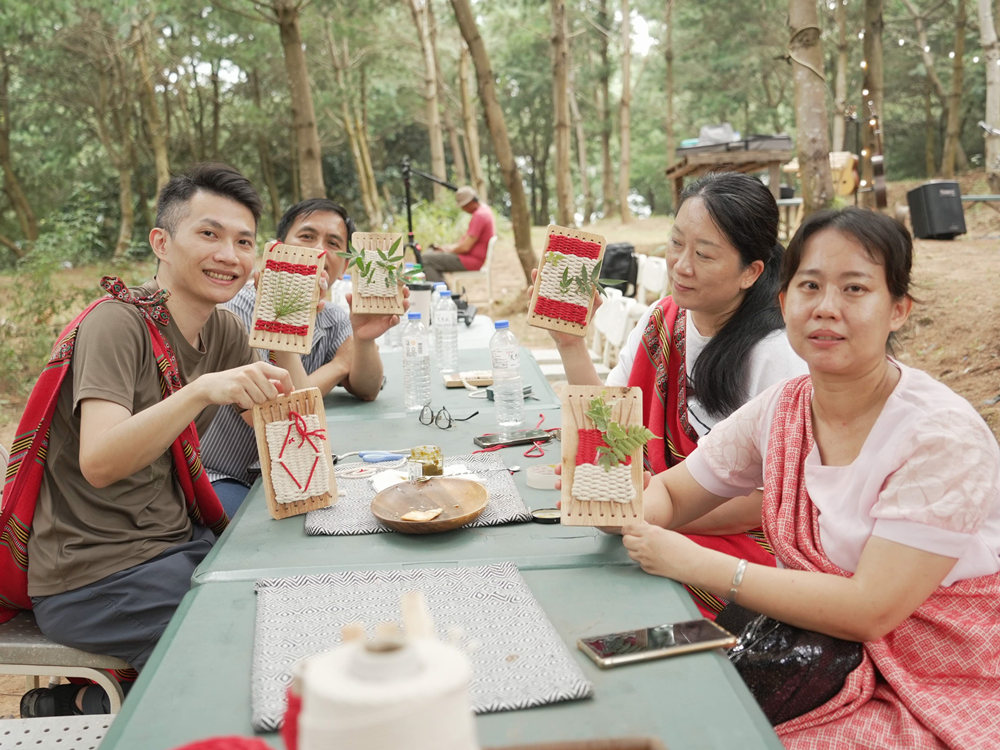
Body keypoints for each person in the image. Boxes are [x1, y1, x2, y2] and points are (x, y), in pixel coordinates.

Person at [623, 208, 1000, 747]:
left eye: (854, 289)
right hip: (814, 653)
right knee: (651, 697)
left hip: (936, 677)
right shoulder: (785, 408)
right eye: (810, 286)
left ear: (898, 309)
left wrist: (695, 561)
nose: (827, 308)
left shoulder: (941, 436)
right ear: (783, 302)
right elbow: (674, 493)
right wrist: (631, 509)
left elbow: (872, 610)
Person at [0, 163, 311, 717]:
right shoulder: (116, 323)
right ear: (161, 243)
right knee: (252, 647)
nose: (229, 255)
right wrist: (200, 393)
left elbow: (294, 445)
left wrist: (283, 326)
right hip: (93, 575)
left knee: (295, 600)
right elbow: (98, 461)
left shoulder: (225, 331)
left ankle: (83, 702)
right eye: (209, 234)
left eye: (244, 242)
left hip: (173, 546)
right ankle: (100, 706)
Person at [548, 172, 806, 616]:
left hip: (737, 558)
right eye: (675, 243)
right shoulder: (662, 319)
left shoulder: (778, 355)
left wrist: (644, 508)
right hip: (653, 524)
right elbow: (609, 427)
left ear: (751, 272)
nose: (681, 265)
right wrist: (569, 341)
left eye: (704, 254)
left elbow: (768, 502)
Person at [200, 198, 405, 515]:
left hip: (294, 471)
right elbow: (276, 420)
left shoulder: (333, 317)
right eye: (307, 237)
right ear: (279, 247)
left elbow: (367, 388)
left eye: (333, 243)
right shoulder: (238, 310)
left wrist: (363, 339)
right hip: (225, 475)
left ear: (346, 266)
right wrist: (338, 365)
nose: (320, 251)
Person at [421, 185, 495, 283]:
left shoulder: (479, 216)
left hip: (471, 261)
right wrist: (446, 248)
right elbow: (466, 243)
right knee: (430, 254)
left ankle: (442, 294)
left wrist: (447, 251)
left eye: (463, 206)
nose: (463, 209)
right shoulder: (484, 210)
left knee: (425, 259)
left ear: (471, 202)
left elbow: (465, 248)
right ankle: (443, 290)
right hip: (469, 257)